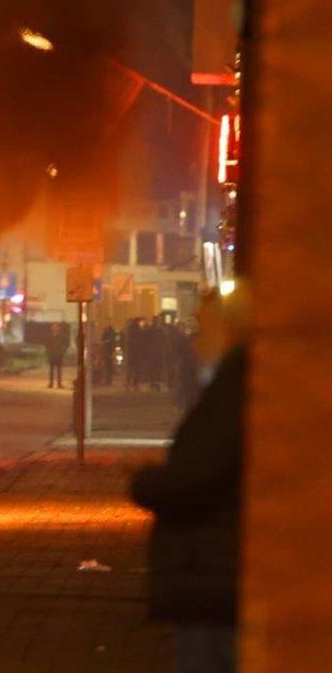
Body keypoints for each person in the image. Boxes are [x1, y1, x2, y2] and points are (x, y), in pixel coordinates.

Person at [130, 288, 247, 673]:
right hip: (220, 576)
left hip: (213, 578)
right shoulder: (238, 386)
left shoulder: (233, 391)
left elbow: (196, 478)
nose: (195, 343)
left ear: (227, 332)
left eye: (202, 330)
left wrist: (144, 480)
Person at [44, 322, 70, 389]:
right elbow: (47, 345)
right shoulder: (49, 336)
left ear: (59, 328)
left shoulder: (62, 336)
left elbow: (66, 344)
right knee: (51, 370)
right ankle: (51, 383)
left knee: (59, 370)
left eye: (56, 327)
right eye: (53, 327)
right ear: (52, 328)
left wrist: (63, 352)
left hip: (59, 355)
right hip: (52, 355)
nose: (55, 328)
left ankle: (59, 383)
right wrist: (48, 352)